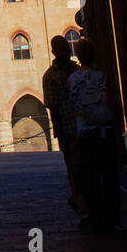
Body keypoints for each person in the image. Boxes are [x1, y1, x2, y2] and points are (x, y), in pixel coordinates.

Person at [68, 38, 123, 233]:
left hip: (86, 132)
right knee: (110, 176)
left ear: (79, 56)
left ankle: (96, 219)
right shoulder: (103, 76)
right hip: (106, 130)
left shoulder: (73, 79)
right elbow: (112, 99)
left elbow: (73, 106)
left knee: (90, 177)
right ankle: (113, 220)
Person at [42, 34, 86, 215]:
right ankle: (81, 205)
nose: (66, 52)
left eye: (67, 48)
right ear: (54, 52)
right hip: (69, 130)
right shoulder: (50, 76)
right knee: (75, 169)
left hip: (85, 127)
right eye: (62, 49)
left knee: (86, 168)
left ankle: (83, 201)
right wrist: (59, 134)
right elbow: (52, 107)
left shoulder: (77, 70)